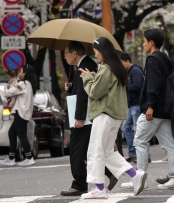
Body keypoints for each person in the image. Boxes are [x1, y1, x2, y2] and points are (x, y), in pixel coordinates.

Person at [79, 37, 147, 199]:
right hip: (115, 116)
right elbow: (106, 87)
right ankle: (134, 174)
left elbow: (95, 92)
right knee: (108, 152)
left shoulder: (106, 68)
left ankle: (99, 187)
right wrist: (95, 76)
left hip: (104, 114)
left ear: (102, 51)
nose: (96, 56)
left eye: (96, 52)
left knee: (95, 151)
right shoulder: (116, 68)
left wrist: (88, 78)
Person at [123, 29, 174, 189]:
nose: (142, 44)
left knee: (139, 141)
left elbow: (154, 85)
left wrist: (150, 106)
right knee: (169, 144)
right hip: (165, 109)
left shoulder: (152, 60)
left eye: (144, 41)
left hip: (154, 109)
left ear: (151, 42)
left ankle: (139, 178)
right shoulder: (165, 58)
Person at [61, 41, 118, 197]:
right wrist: (72, 86)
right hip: (89, 116)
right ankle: (111, 172)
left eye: (65, 53)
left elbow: (85, 94)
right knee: (88, 150)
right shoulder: (86, 63)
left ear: (74, 54)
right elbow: (82, 88)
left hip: (84, 118)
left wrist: (78, 117)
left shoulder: (85, 65)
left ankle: (79, 184)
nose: (64, 57)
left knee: (77, 150)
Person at [0, 66, 37, 166]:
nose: (19, 73)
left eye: (21, 71)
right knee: (12, 133)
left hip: (21, 113)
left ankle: (29, 157)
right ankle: (11, 158)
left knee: (22, 135)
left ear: (25, 74)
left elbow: (8, 92)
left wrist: (14, 83)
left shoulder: (23, 84)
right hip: (24, 113)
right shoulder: (29, 84)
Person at [120, 53, 144, 162]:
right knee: (126, 128)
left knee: (138, 130)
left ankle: (143, 155)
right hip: (131, 105)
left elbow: (138, 85)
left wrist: (125, 86)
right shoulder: (129, 72)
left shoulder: (135, 71)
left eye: (121, 64)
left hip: (137, 104)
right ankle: (132, 153)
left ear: (127, 61)